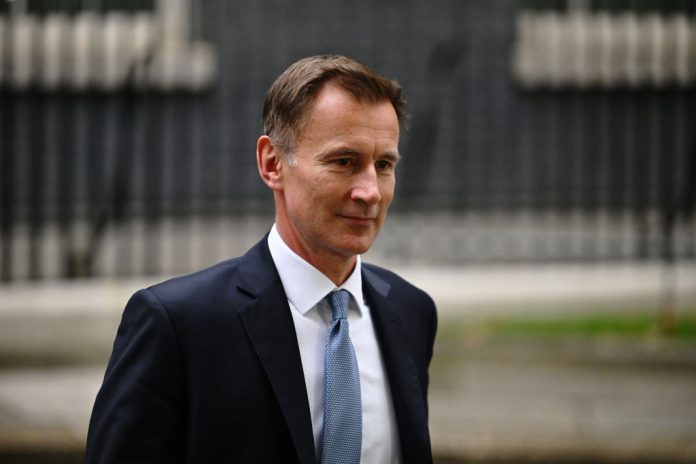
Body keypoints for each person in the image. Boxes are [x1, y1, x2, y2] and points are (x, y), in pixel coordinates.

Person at [85, 54, 437, 464]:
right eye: (344, 161)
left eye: (384, 164)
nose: (371, 191)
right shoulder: (178, 325)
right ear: (272, 164)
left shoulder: (412, 312)